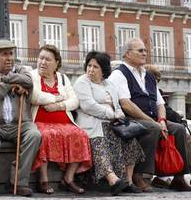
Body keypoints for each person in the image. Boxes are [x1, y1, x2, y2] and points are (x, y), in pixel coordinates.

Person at [109, 38, 191, 192]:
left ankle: (179, 177)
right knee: (153, 127)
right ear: (127, 54)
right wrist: (154, 122)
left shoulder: (149, 76)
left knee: (178, 129)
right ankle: (139, 175)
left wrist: (162, 120)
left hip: (153, 119)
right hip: (129, 120)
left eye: (145, 50)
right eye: (140, 50)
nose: (145, 53)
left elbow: (160, 103)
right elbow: (126, 103)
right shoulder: (119, 74)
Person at [0, 39, 41, 197]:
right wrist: (10, 84)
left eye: (11, 53)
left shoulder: (21, 69)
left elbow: (29, 81)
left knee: (34, 134)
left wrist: (4, 79)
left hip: (20, 123)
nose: (10, 58)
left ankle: (18, 182)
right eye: (5, 54)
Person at [74, 51, 145, 196]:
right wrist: (111, 114)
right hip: (92, 123)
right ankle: (113, 180)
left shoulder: (110, 84)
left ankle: (128, 181)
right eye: (89, 65)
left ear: (103, 70)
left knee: (129, 139)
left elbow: (117, 106)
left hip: (112, 123)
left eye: (95, 67)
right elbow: (89, 106)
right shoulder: (82, 82)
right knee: (98, 142)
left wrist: (118, 115)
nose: (91, 70)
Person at [30, 45, 92, 194]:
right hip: (40, 121)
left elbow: (74, 101)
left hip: (64, 121)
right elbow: (35, 97)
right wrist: (58, 97)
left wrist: (58, 106)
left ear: (57, 63)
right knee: (44, 135)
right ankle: (43, 180)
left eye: (47, 59)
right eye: (41, 58)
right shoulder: (31, 76)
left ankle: (68, 179)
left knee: (81, 135)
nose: (42, 62)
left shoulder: (63, 78)